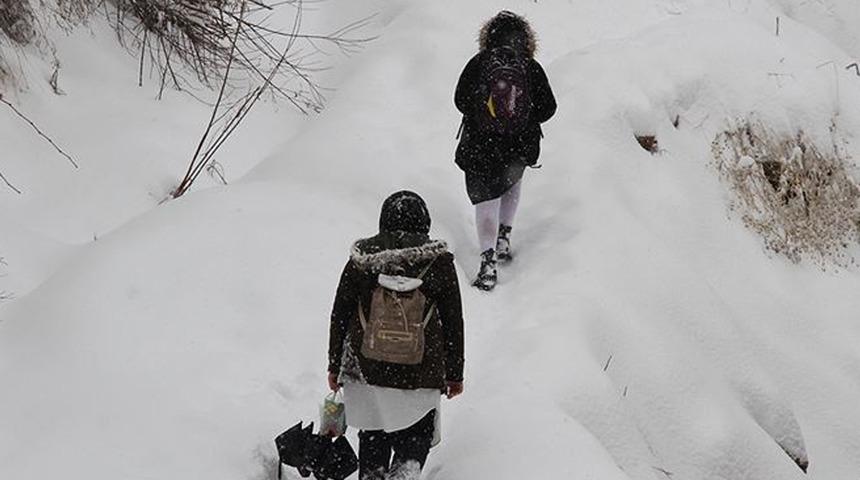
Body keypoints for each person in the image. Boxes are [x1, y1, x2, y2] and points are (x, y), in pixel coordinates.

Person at [327, 191, 465, 480]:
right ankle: (406, 471)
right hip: (420, 373)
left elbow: (340, 314)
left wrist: (334, 365)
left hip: (366, 369)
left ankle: (373, 474)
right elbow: (453, 322)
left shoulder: (362, 261)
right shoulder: (439, 263)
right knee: (415, 436)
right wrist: (454, 374)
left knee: (373, 434)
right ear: (425, 222)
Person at [454, 10, 557, 291]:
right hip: (517, 146)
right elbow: (549, 108)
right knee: (511, 181)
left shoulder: (479, 63)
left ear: (488, 37)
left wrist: (484, 112)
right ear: (526, 39)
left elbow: (460, 100)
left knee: (485, 201)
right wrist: (521, 117)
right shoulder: (530, 67)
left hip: (479, 146)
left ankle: (487, 261)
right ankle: (504, 237)